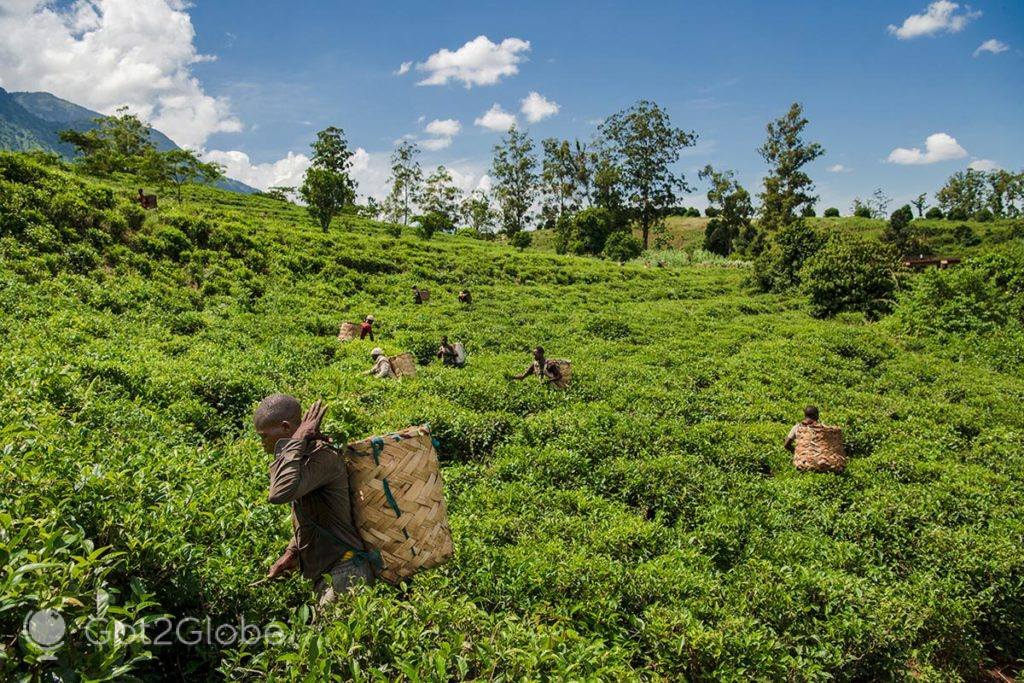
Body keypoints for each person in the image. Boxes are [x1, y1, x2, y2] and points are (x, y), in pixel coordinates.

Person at [254, 395, 374, 604]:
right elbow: (311, 513)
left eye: (264, 436)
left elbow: (279, 493)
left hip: (346, 573)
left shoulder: (322, 457)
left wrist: (295, 441)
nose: (262, 443)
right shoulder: (304, 457)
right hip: (332, 573)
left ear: (285, 427)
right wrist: (292, 552)